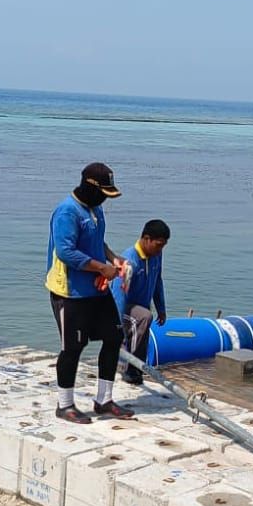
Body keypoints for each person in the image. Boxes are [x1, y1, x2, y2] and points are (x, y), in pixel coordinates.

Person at [45, 162, 135, 423]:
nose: (105, 200)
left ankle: (104, 400)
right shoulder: (67, 212)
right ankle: (65, 405)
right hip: (70, 291)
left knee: (114, 336)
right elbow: (66, 251)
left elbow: (96, 241)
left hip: (96, 290)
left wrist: (113, 258)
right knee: (73, 347)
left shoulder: (95, 210)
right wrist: (101, 268)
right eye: (103, 194)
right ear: (89, 187)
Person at [111, 219, 170, 386]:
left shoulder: (156, 256)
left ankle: (137, 369)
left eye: (163, 246)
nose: (160, 250)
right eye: (158, 245)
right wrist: (118, 326)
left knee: (144, 320)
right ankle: (129, 367)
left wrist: (161, 308)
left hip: (141, 308)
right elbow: (118, 295)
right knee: (143, 317)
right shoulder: (131, 261)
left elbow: (158, 280)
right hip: (122, 308)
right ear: (146, 238)